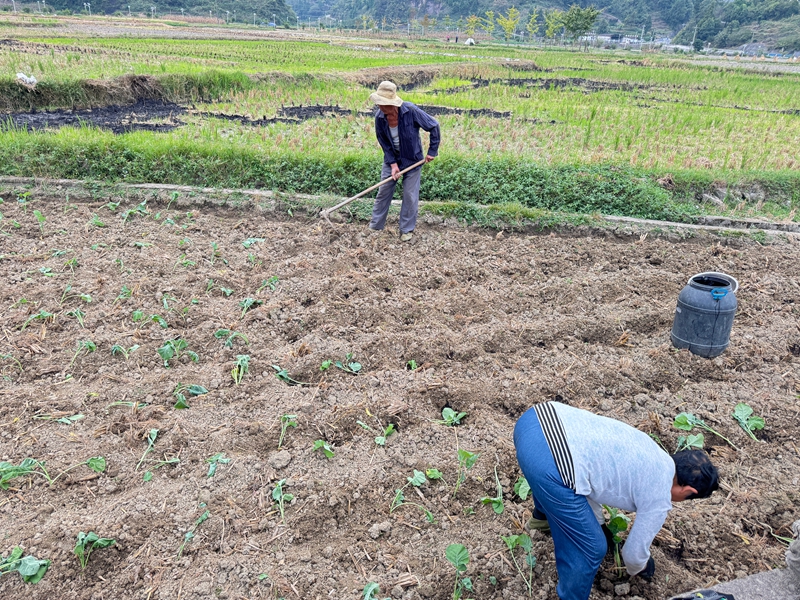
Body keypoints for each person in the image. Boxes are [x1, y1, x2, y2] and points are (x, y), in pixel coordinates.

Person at [514, 401, 719, 600]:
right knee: (592, 547)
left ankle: (541, 520)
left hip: (536, 419)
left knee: (567, 479)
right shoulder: (660, 495)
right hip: (546, 464)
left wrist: (600, 524)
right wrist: (643, 566)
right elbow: (633, 555)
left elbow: (585, 483)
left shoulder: (652, 450)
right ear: (688, 490)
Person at [368, 81, 440, 242]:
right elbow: (384, 143)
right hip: (392, 159)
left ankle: (406, 230)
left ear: (391, 103)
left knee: (410, 195)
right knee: (384, 190)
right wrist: (393, 165)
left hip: (412, 160)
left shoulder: (411, 111)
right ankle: (375, 226)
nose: (380, 106)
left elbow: (434, 126)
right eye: (378, 103)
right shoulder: (380, 118)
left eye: (383, 103)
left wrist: (432, 152)